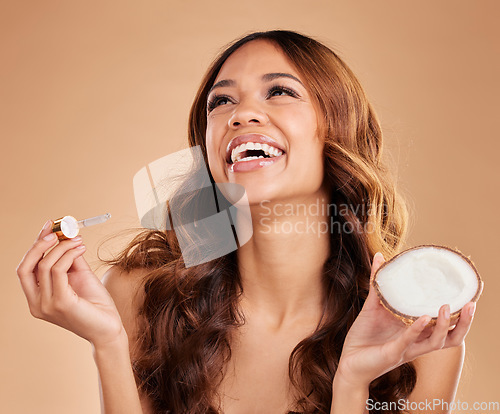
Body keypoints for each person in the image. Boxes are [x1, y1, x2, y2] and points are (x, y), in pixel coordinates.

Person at [16, 30, 476, 414]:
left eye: (279, 91)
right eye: (221, 102)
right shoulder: (138, 294)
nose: (240, 115)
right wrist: (108, 344)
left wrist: (353, 381)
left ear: (337, 128)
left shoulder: (420, 334)